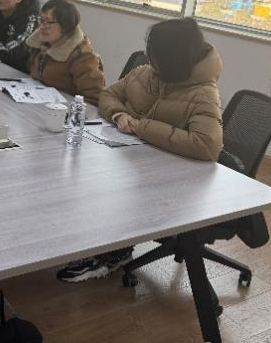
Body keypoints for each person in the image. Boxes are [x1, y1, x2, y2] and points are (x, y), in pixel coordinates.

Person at [56, 17, 223, 283]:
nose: (150, 58)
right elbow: (108, 95)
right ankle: (88, 239)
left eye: (156, 53)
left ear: (173, 57)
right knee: (79, 172)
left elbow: (206, 145)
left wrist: (141, 126)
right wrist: (120, 114)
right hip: (133, 159)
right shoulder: (146, 73)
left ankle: (113, 252)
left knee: (104, 190)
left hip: (171, 182)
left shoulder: (202, 93)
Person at [25, 0, 105, 105]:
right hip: (38, 101)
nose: (42, 27)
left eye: (49, 22)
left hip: (64, 109)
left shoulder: (83, 57)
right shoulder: (40, 43)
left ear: (65, 26)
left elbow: (93, 99)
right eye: (41, 20)